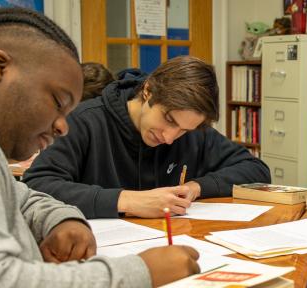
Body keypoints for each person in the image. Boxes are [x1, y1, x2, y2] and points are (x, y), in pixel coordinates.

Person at [0, 8, 199, 287]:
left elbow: (15, 195)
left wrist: (59, 219)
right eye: (57, 101)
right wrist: (142, 272)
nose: (64, 126)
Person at [23, 56, 270, 219]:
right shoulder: (84, 121)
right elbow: (37, 185)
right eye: (169, 120)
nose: (170, 138)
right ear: (148, 90)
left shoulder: (190, 132)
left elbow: (256, 170)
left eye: (184, 130)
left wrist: (196, 187)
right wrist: (126, 200)